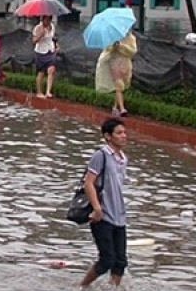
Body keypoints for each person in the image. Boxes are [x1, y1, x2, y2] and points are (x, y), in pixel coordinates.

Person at [80, 118, 129, 290]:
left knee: (120, 261)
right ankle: (82, 286)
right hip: (102, 215)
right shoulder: (100, 155)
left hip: (119, 216)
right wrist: (97, 208)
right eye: (119, 133)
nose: (124, 136)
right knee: (107, 259)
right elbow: (89, 183)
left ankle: (113, 287)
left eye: (124, 132)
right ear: (108, 136)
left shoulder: (123, 158)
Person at [95, 31, 138, 117]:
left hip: (126, 65)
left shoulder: (131, 38)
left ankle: (115, 108)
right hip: (115, 63)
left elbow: (133, 51)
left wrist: (122, 46)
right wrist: (114, 46)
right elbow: (107, 50)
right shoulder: (112, 37)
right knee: (119, 85)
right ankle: (122, 109)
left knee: (121, 87)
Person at [32, 15, 58, 98]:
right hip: (40, 52)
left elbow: (52, 38)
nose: (47, 22)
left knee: (51, 70)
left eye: (49, 20)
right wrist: (41, 35)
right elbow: (34, 41)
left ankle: (48, 91)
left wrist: (56, 45)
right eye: (46, 20)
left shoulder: (52, 27)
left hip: (50, 51)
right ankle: (39, 92)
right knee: (41, 72)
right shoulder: (38, 28)